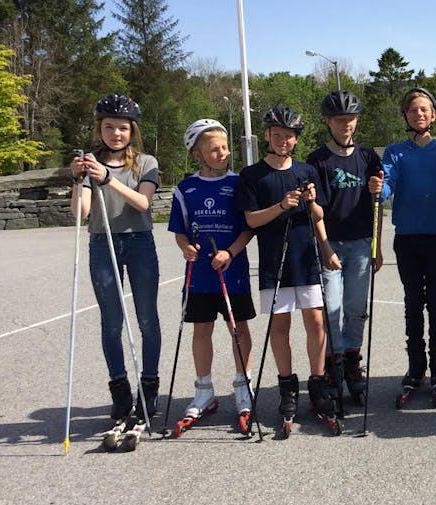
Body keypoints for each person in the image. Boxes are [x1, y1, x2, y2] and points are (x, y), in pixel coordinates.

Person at [237, 107, 340, 431]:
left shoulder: (306, 170)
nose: (283, 140)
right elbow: (251, 219)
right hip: (274, 260)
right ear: (267, 135)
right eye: (278, 134)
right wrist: (281, 206)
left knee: (316, 322)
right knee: (280, 326)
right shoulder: (252, 175)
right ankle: (287, 389)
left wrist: (311, 204)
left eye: (289, 136)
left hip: (305, 256)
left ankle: (318, 385)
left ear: (296, 139)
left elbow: (319, 215)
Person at [368, 88, 436, 398]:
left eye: (424, 109)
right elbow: (387, 187)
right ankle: (416, 365)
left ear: (433, 115)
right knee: (412, 302)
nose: (419, 114)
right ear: (406, 116)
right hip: (407, 239)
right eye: (413, 110)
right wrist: (379, 188)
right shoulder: (395, 152)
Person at [68, 94, 162, 423]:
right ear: (100, 129)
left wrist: (107, 179)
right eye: (109, 127)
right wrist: (78, 180)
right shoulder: (90, 162)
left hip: (139, 242)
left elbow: (143, 203)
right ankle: (120, 390)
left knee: (147, 319)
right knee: (111, 322)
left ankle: (149, 387)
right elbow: (80, 212)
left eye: (122, 127)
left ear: (132, 130)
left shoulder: (146, 162)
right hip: (102, 242)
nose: (116, 134)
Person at [168, 118, 255, 433]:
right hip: (199, 274)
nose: (223, 153)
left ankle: (243, 386)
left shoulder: (239, 183)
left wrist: (230, 252)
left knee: (238, 328)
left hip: (232, 271)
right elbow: (179, 229)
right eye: (214, 149)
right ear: (197, 155)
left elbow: (248, 228)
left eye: (225, 147)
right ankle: (204, 390)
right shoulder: (185, 188)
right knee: (201, 329)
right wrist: (185, 248)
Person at [306, 90, 383, 403]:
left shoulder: (368, 157)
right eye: (340, 120)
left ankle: (352, 363)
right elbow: (315, 211)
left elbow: (377, 205)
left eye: (350, 119)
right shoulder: (317, 161)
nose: (346, 124)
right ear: (328, 122)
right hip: (332, 243)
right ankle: (333, 365)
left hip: (362, 242)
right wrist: (325, 247)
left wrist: (378, 245)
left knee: (355, 308)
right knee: (332, 307)